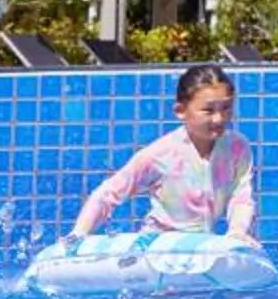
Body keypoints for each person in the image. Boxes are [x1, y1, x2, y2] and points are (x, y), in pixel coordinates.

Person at [71, 63, 258, 242]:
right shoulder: (161, 153)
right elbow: (108, 193)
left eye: (226, 108)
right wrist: (78, 235)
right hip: (160, 245)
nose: (219, 118)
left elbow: (241, 196)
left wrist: (237, 232)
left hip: (200, 244)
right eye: (208, 110)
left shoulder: (236, 148)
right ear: (180, 111)